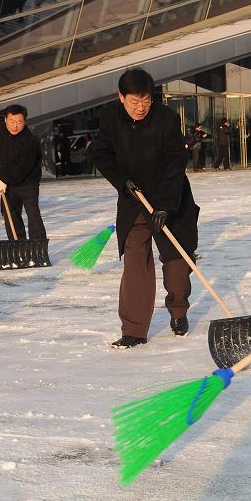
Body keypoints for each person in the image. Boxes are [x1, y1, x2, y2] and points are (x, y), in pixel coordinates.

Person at [90, 68, 198, 349]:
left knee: (176, 263)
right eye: (134, 102)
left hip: (169, 198)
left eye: (146, 101)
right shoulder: (110, 118)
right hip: (133, 199)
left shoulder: (167, 119)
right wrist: (121, 180)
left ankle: (178, 311)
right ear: (121, 97)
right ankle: (134, 329)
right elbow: (101, 154)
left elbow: (176, 162)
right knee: (135, 262)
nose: (140, 108)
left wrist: (165, 205)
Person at [0, 104, 47, 242]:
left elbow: (21, 169)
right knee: (10, 214)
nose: (15, 126)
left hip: (28, 182)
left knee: (33, 214)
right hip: (8, 180)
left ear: (24, 121)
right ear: (5, 119)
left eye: (19, 122)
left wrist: (3, 180)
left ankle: (38, 244)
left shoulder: (29, 141)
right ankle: (18, 243)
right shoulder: (0, 125)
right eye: (12, 121)